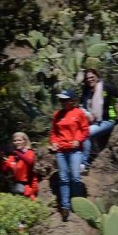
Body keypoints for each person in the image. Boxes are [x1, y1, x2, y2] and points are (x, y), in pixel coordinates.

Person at [79, 69, 118, 172]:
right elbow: (82, 106)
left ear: (97, 76)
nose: (90, 80)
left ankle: (84, 164)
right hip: (92, 122)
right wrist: (88, 114)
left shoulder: (106, 87)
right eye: (87, 78)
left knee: (85, 134)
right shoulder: (86, 91)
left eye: (92, 77)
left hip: (107, 121)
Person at [49, 89, 89, 222]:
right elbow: (54, 133)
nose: (63, 102)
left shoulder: (79, 113)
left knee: (76, 177)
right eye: (61, 100)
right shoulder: (57, 115)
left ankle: (77, 203)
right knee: (64, 178)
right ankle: (65, 207)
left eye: (65, 100)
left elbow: (85, 130)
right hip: (61, 150)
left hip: (74, 150)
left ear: (72, 101)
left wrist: (78, 140)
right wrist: (54, 143)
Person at [0, 132, 39, 201]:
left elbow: (30, 162)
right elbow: (4, 169)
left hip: (28, 185)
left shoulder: (29, 152)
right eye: (15, 141)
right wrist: (2, 158)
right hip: (16, 186)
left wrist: (17, 153)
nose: (17, 142)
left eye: (19, 140)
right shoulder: (12, 156)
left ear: (25, 141)